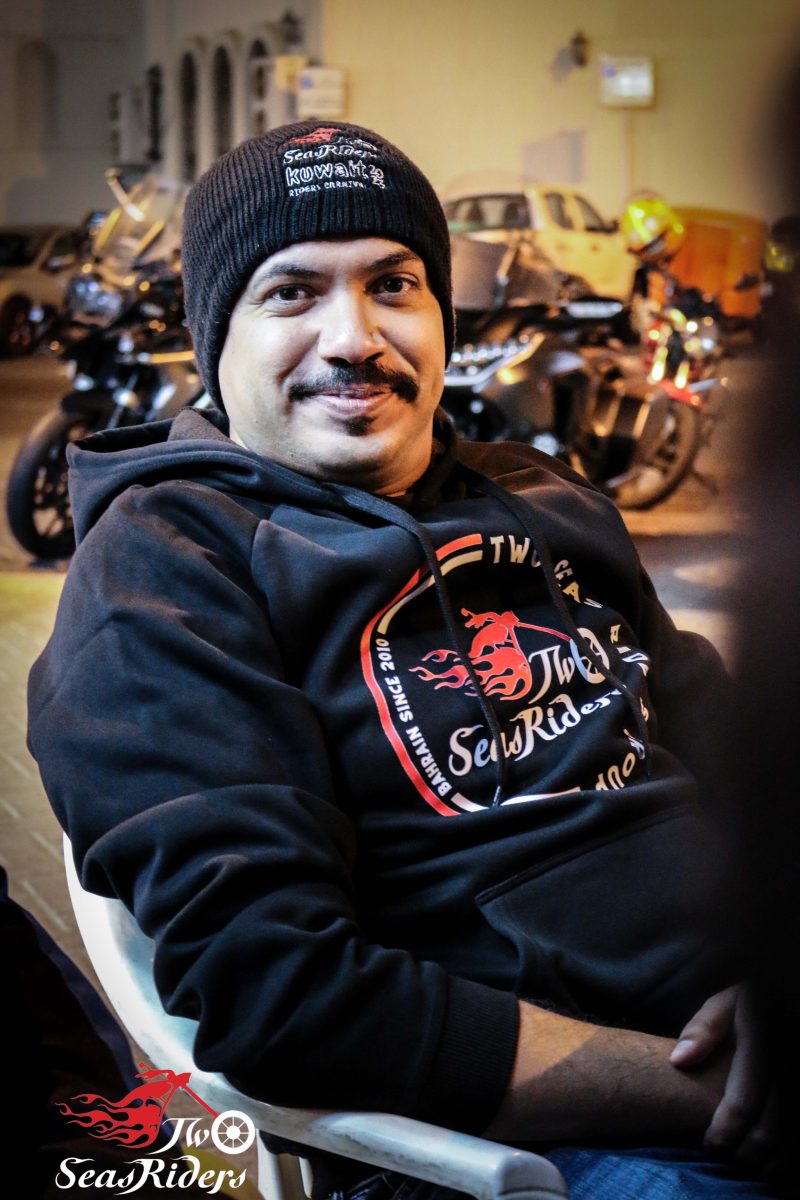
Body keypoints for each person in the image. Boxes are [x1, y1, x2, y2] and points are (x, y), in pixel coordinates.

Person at [27, 121, 782, 1200]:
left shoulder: (543, 498)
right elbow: (281, 996)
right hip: (546, 1144)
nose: (354, 337)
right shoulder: (166, 570)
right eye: (291, 293)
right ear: (214, 340)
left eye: (394, 285)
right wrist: (708, 1088)